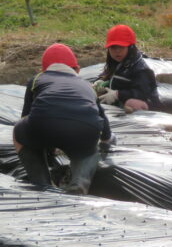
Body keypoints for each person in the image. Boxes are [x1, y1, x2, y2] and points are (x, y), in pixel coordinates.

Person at [14, 43, 112, 194]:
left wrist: (48, 143)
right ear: (77, 70)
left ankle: (42, 184)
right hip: (86, 127)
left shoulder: (37, 79)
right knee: (89, 152)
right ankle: (79, 182)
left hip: (45, 122)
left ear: (43, 70)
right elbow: (104, 125)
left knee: (19, 132)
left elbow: (27, 118)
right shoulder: (87, 86)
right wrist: (105, 142)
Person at [94, 24, 160, 112]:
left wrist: (118, 94)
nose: (117, 51)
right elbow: (107, 75)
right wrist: (100, 81)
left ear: (131, 47)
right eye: (113, 47)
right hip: (121, 103)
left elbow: (142, 93)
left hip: (148, 106)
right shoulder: (116, 64)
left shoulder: (141, 69)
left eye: (121, 47)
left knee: (131, 103)